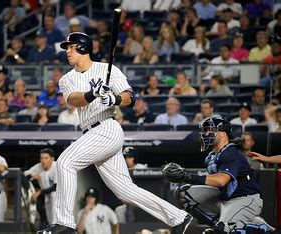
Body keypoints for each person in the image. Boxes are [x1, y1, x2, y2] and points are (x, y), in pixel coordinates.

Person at [37, 32, 192, 233]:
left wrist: (114, 99)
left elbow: (130, 96)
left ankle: (65, 223)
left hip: (107, 128)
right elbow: (74, 100)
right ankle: (178, 217)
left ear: (83, 48)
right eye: (67, 47)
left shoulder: (107, 69)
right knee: (125, 191)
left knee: (65, 162)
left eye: (71, 47)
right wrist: (93, 93)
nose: (67, 51)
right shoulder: (67, 79)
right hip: (91, 132)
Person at [162, 116, 264, 232]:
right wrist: (185, 174)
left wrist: (187, 176)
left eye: (209, 130)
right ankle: (221, 227)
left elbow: (221, 180)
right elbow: (215, 183)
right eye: (204, 131)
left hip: (245, 198)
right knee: (183, 193)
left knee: (223, 231)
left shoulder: (230, 151)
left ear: (222, 134)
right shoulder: (211, 157)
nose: (205, 134)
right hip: (225, 197)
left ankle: (259, 228)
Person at [24, 148, 57, 225]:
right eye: (41, 158)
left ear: (52, 159)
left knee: (55, 220)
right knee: (49, 220)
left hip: (59, 196)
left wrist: (39, 192)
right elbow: (23, 174)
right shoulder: (38, 167)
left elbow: (56, 187)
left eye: (46, 158)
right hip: (46, 195)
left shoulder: (57, 167)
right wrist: (32, 175)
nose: (43, 160)